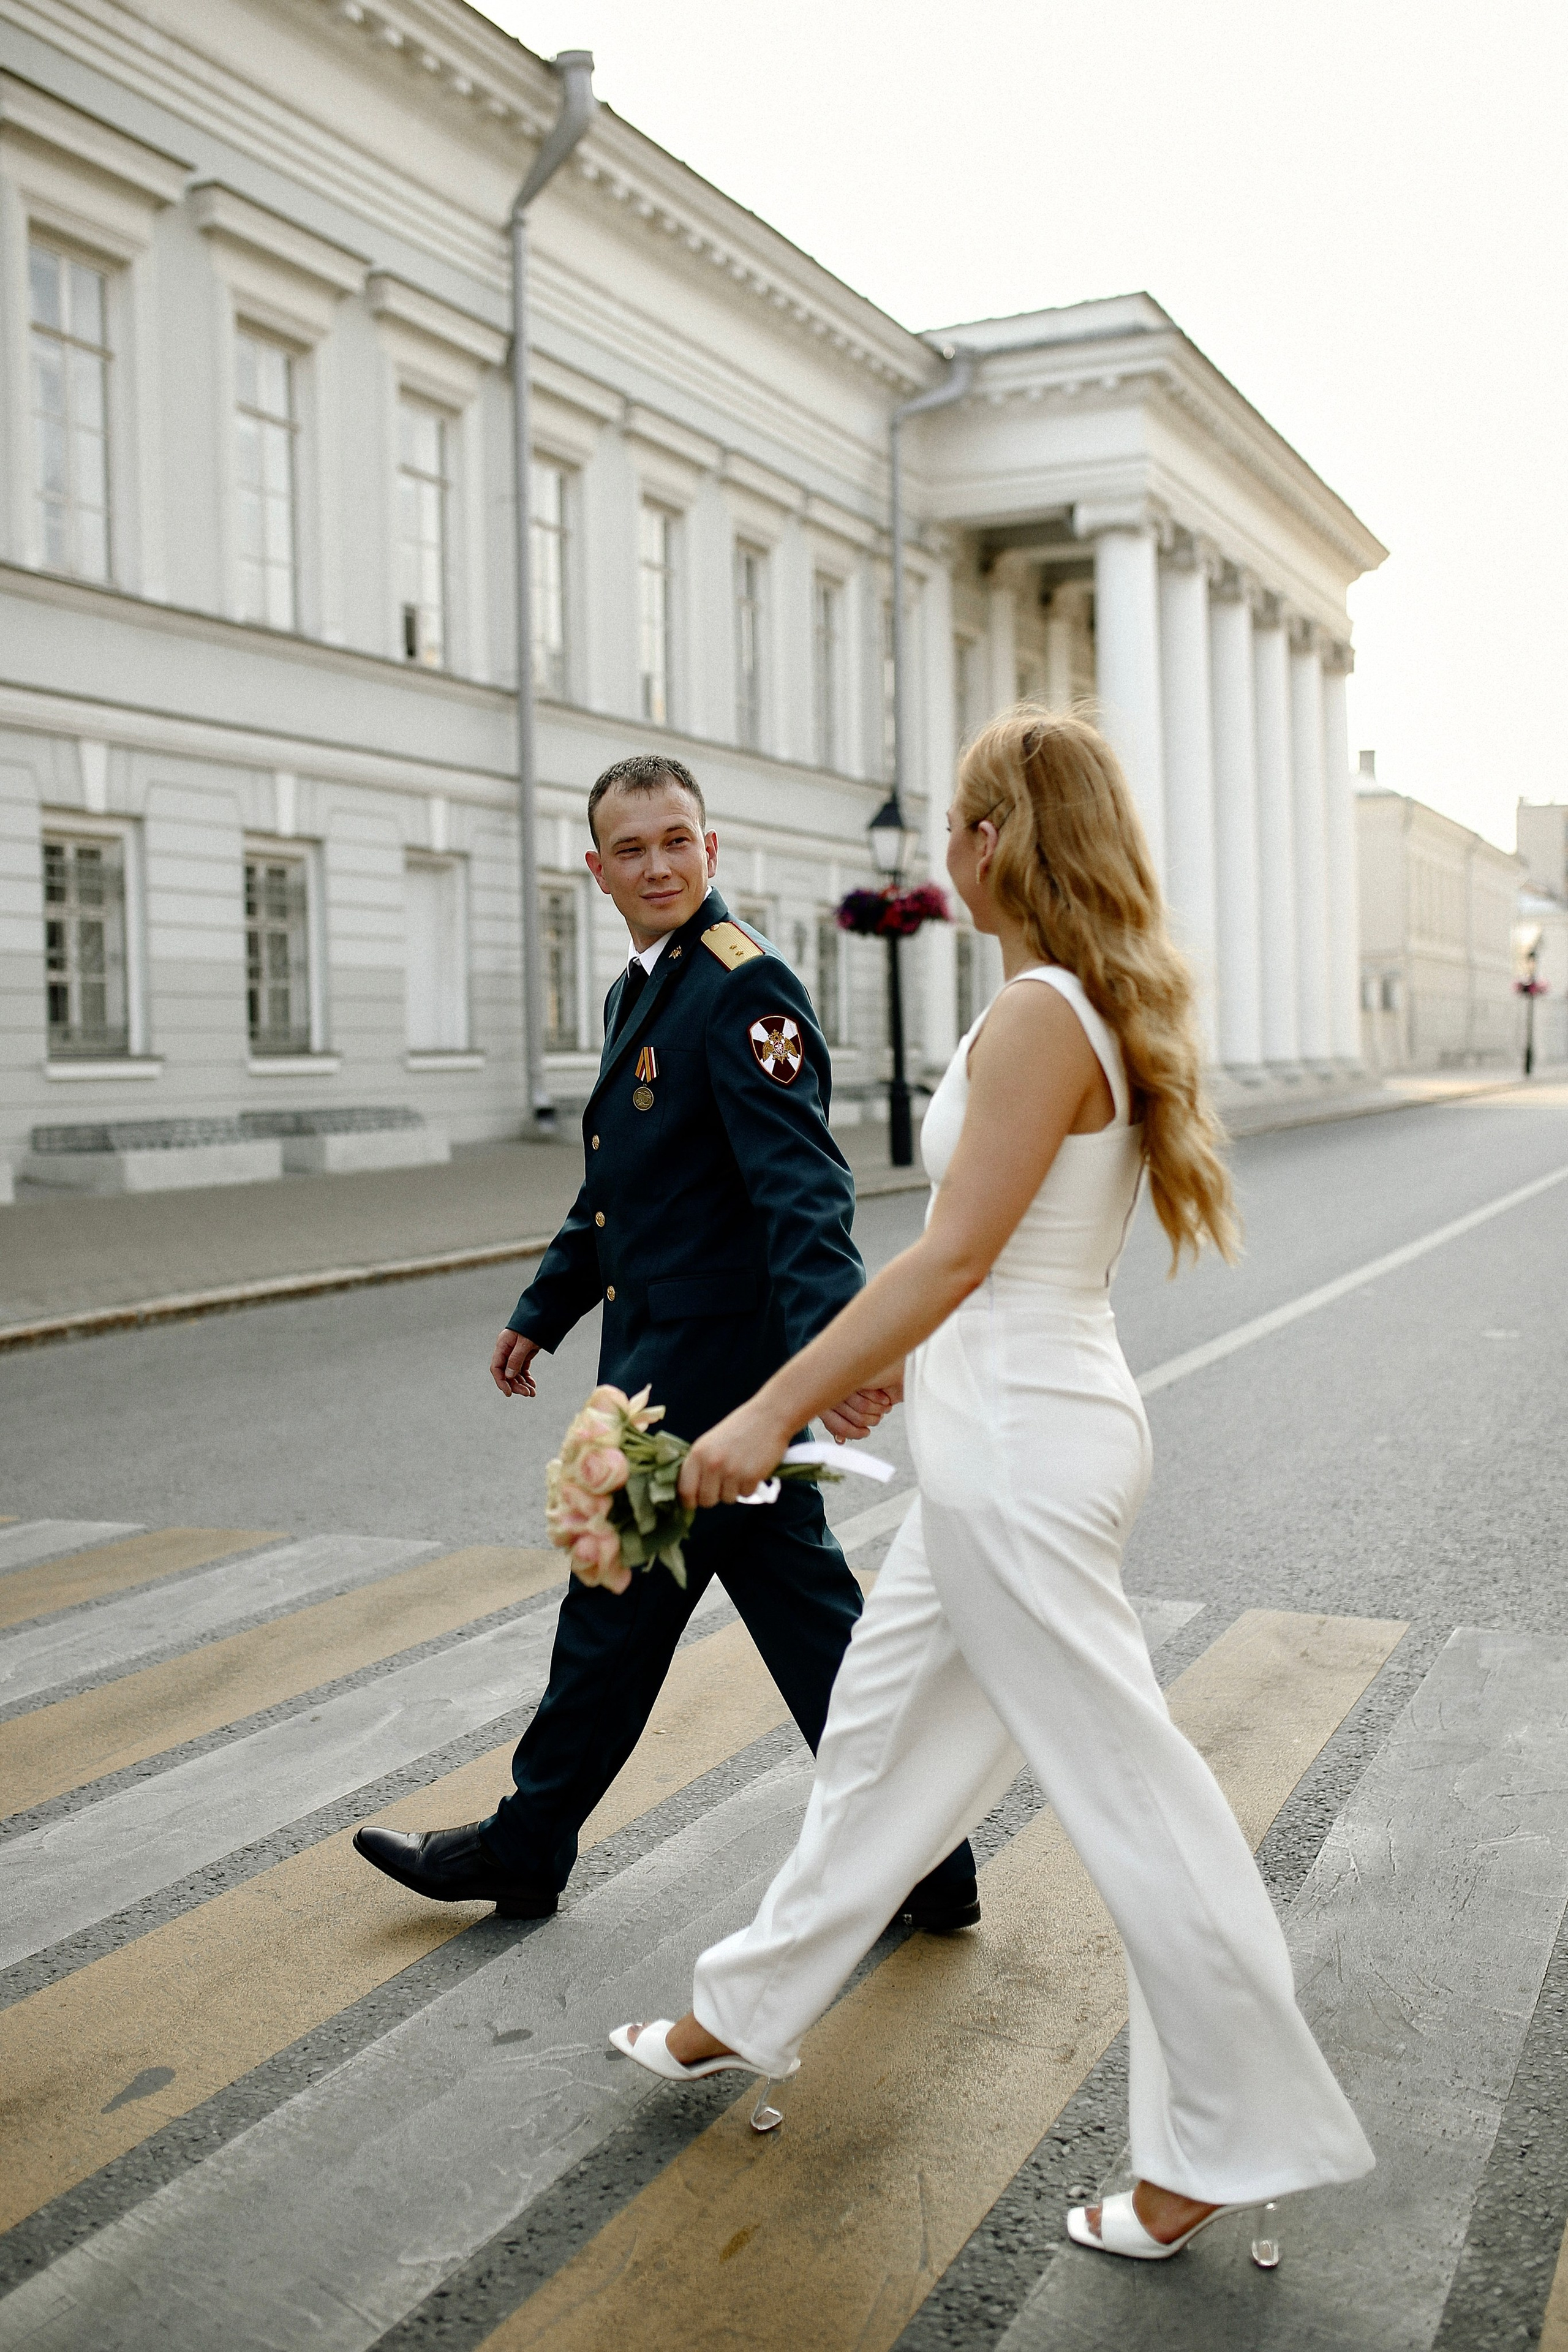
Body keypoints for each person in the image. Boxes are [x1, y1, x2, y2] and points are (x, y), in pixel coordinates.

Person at [612, 709, 1374, 2257]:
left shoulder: (1036, 1012)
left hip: (1021, 1455)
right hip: (1006, 1429)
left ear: (993, 841)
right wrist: (894, 1366)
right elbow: (977, 1262)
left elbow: (955, 1252)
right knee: (880, 1750)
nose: (946, 851)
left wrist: (772, 1408)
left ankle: (1219, 2143)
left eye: (960, 823)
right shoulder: (1068, 1003)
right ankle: (736, 2007)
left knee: (1131, 1798)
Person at [355, 753, 978, 1930]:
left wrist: (837, 1358)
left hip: (710, 1386)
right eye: (630, 849)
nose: (657, 865)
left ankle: (528, 1846)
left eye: (676, 841)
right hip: (665, 1371)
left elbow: (804, 1194)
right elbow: (624, 1192)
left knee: (617, 1613)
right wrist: (545, 1307)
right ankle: (929, 1866)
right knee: (789, 1628)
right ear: (596, 870)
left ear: (712, 849)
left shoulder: (743, 989)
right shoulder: (644, 987)